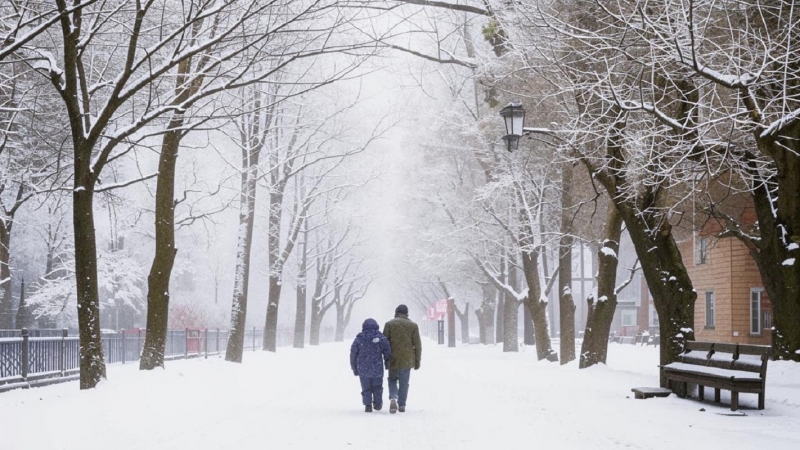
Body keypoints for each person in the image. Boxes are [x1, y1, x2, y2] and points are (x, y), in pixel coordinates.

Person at [383, 304, 421, 414]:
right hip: (407, 359)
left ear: (396, 312)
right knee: (404, 382)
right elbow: (417, 345)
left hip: (393, 358)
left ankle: (393, 397)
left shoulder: (389, 324)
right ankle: (402, 404)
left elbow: (384, 343)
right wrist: (417, 361)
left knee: (392, 379)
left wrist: (386, 358)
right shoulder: (413, 326)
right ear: (406, 313)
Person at [350, 318, 391, 413]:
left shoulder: (359, 339)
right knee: (377, 386)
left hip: (363, 368)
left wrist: (354, 367)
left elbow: (353, 354)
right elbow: (387, 350)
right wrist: (387, 361)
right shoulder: (380, 338)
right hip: (377, 367)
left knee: (366, 387)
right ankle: (378, 403)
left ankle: (368, 404)